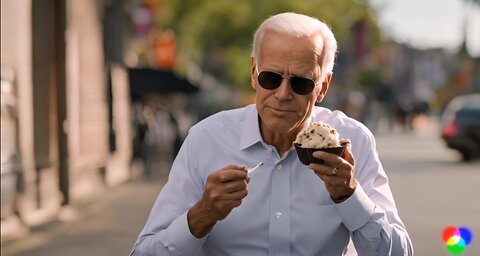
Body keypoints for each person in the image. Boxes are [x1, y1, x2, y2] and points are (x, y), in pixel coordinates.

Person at [131, 12, 413, 255]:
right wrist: (202, 214)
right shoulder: (206, 140)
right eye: (271, 78)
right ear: (254, 73)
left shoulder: (353, 142)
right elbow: (144, 252)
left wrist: (350, 195)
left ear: (323, 86)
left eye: (301, 83)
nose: (282, 94)